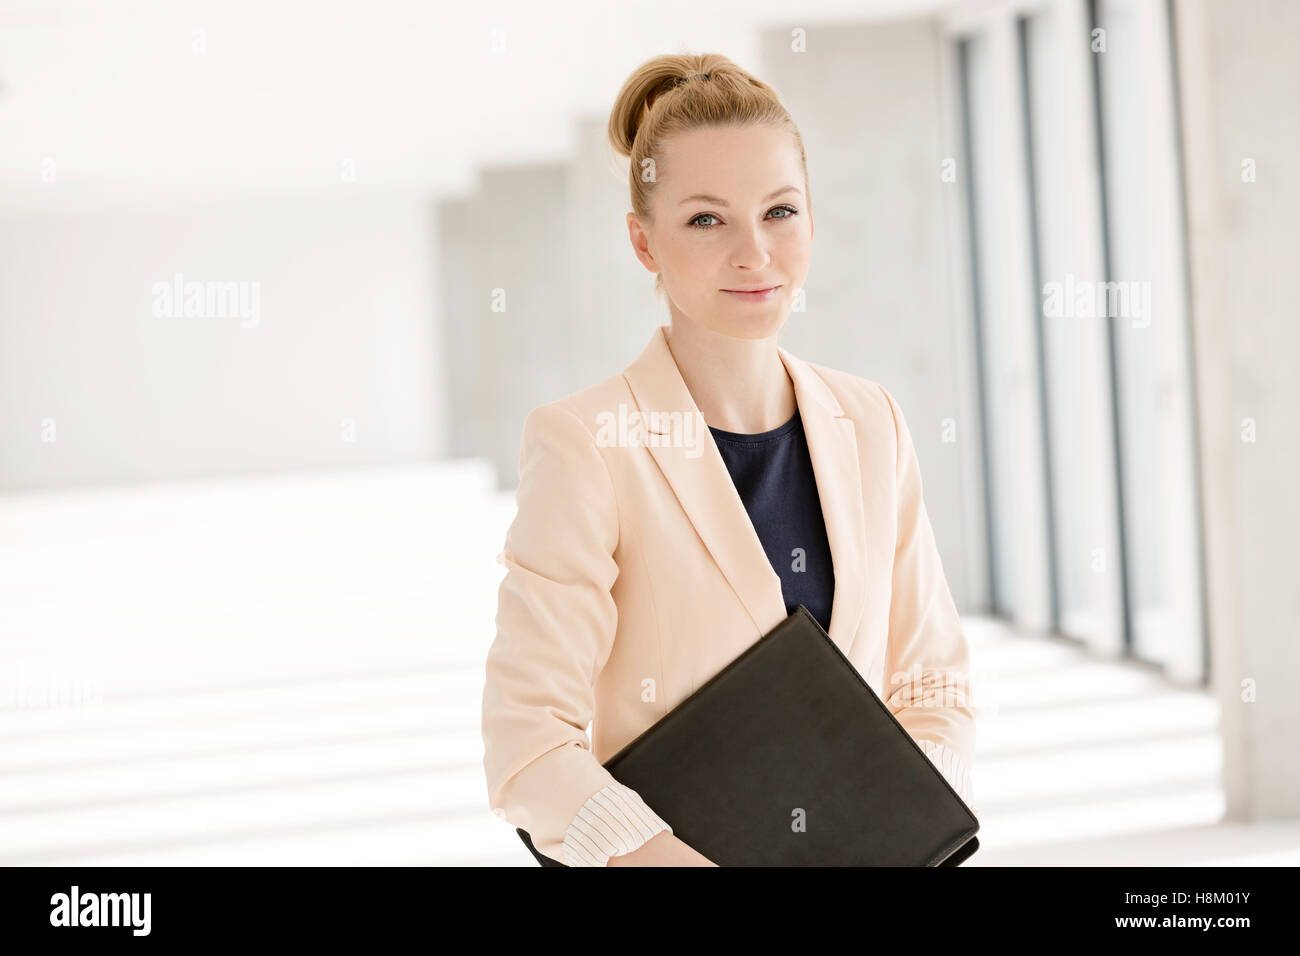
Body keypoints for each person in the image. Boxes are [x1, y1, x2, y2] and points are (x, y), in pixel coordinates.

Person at [480, 52, 976, 867]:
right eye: (707, 220)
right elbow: (527, 743)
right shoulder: (586, 444)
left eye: (779, 211)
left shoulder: (871, 421)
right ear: (644, 242)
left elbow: (932, 683)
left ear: (813, 220)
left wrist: (903, 835)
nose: (755, 253)